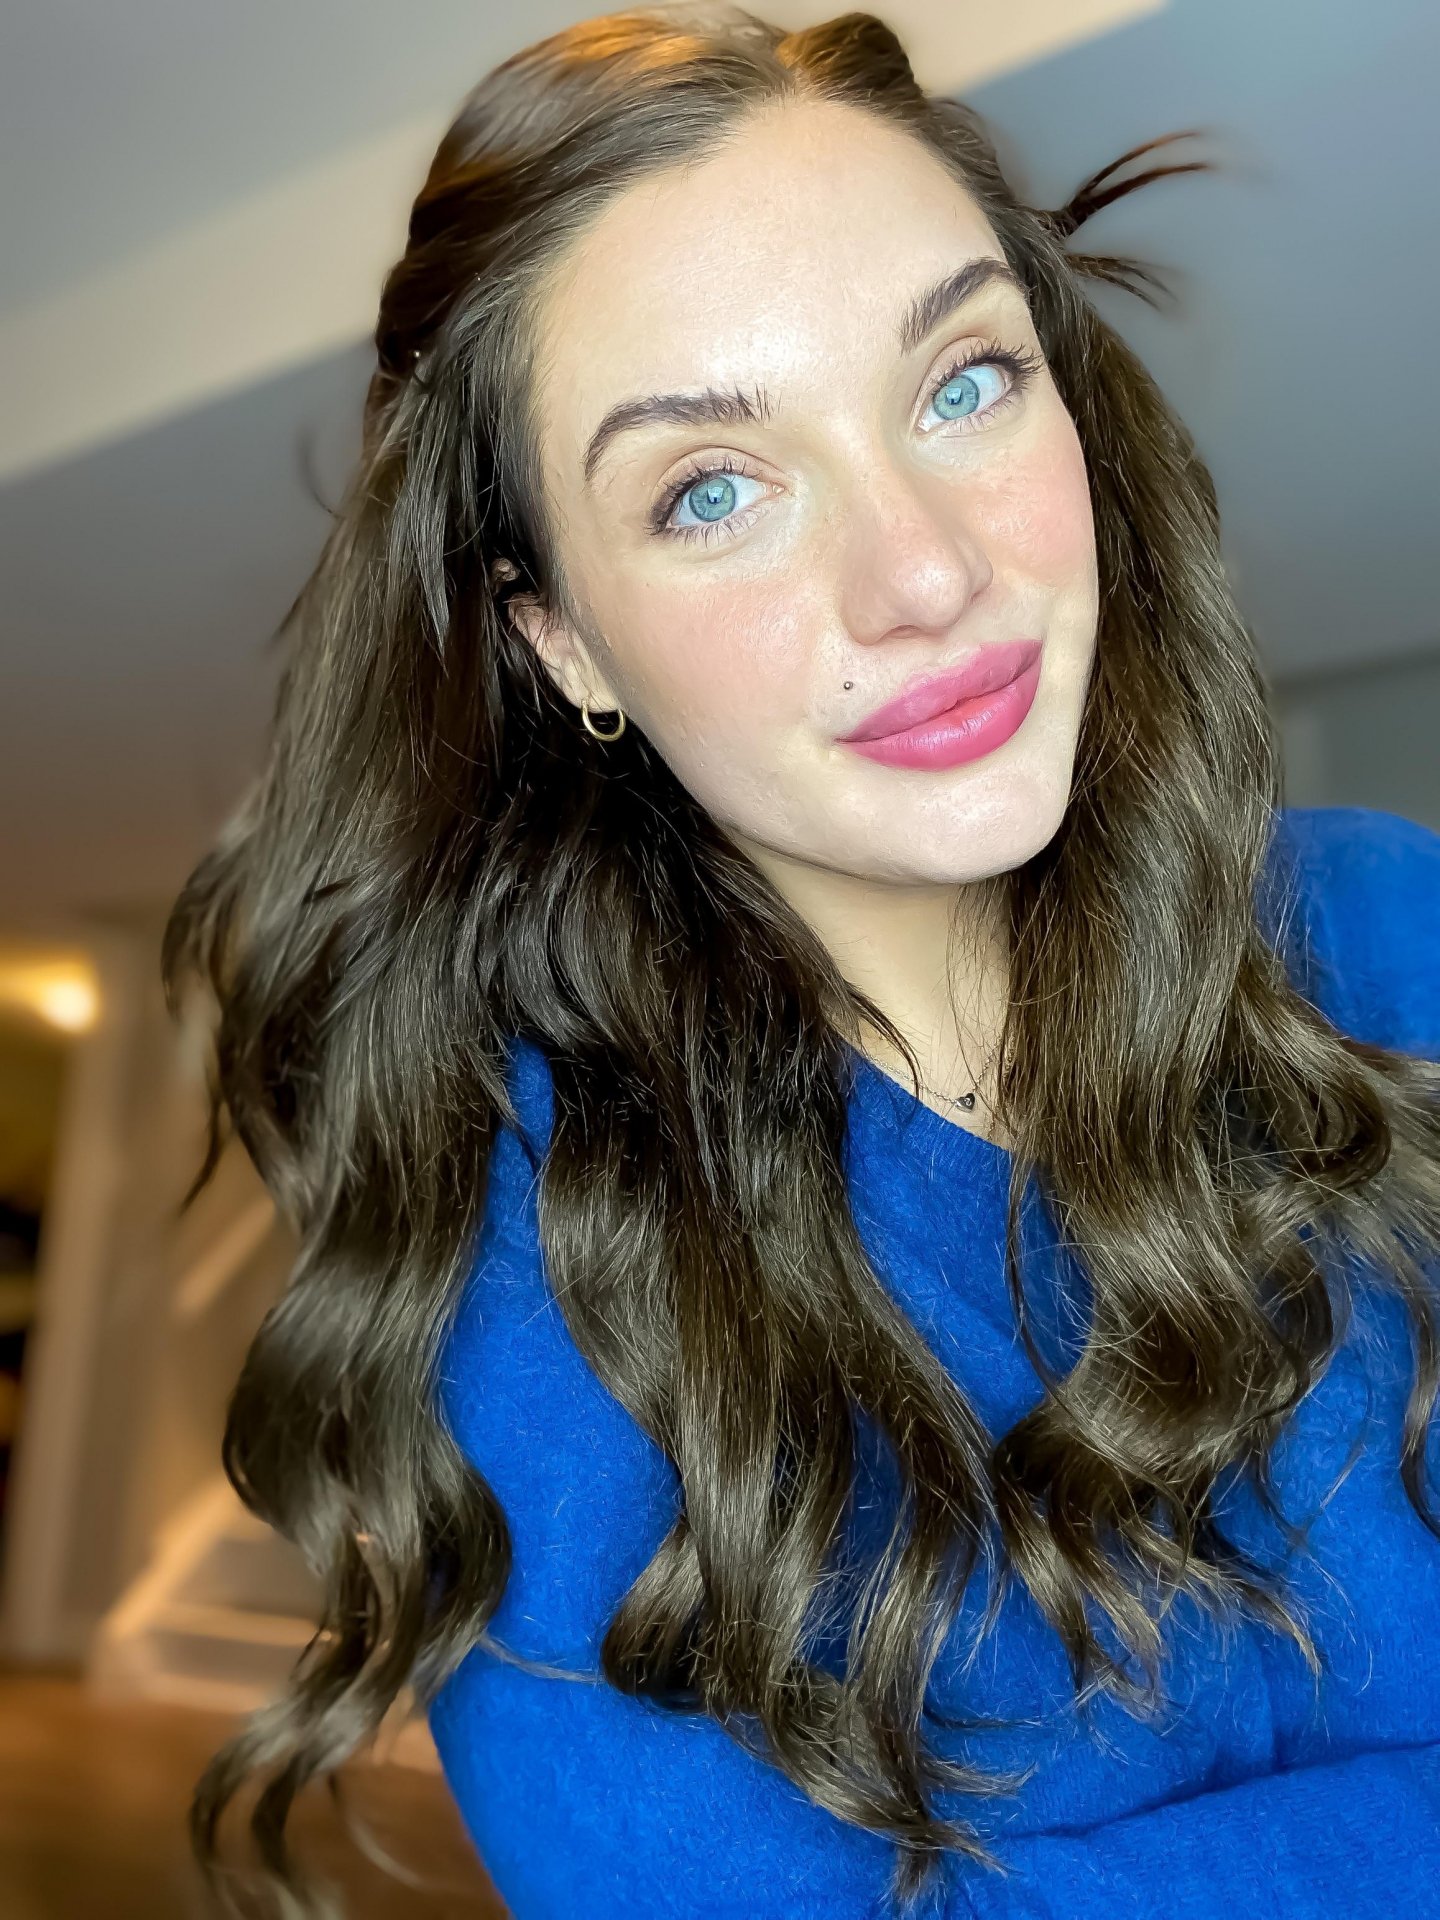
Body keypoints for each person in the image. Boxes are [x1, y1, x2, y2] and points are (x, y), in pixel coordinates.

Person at [163, 6, 1440, 1917]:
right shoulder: (532, 1256)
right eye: (711, 490)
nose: (924, 572)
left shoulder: (1393, 937)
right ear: (560, 641)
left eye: (964, 381)